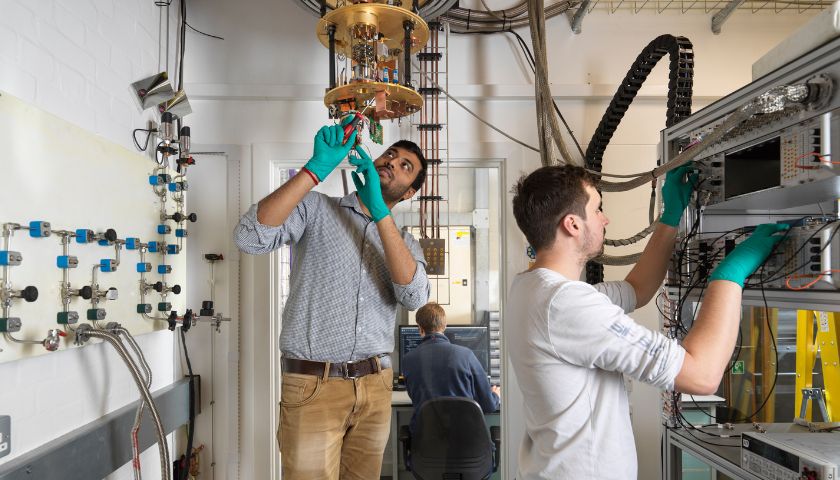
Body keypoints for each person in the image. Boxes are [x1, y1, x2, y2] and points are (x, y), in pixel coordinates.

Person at [506, 163, 788, 479]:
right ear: (572, 224)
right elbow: (702, 375)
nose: (604, 219)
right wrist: (729, 275)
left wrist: (670, 218)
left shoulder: (533, 288)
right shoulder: (565, 304)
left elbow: (636, 289)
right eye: (597, 209)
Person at [233, 117, 431, 480]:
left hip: (375, 387)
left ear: (409, 193)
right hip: (313, 385)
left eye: (406, 166)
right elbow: (250, 237)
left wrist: (380, 213)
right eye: (390, 154)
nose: (392, 162)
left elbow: (414, 295)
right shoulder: (316, 209)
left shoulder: (406, 243)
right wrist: (315, 169)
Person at [402, 302, 500, 432]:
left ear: (420, 328)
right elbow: (488, 405)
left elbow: (414, 396)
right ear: (444, 326)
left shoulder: (407, 360)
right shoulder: (466, 355)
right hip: (467, 443)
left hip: (426, 443)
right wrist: (495, 395)